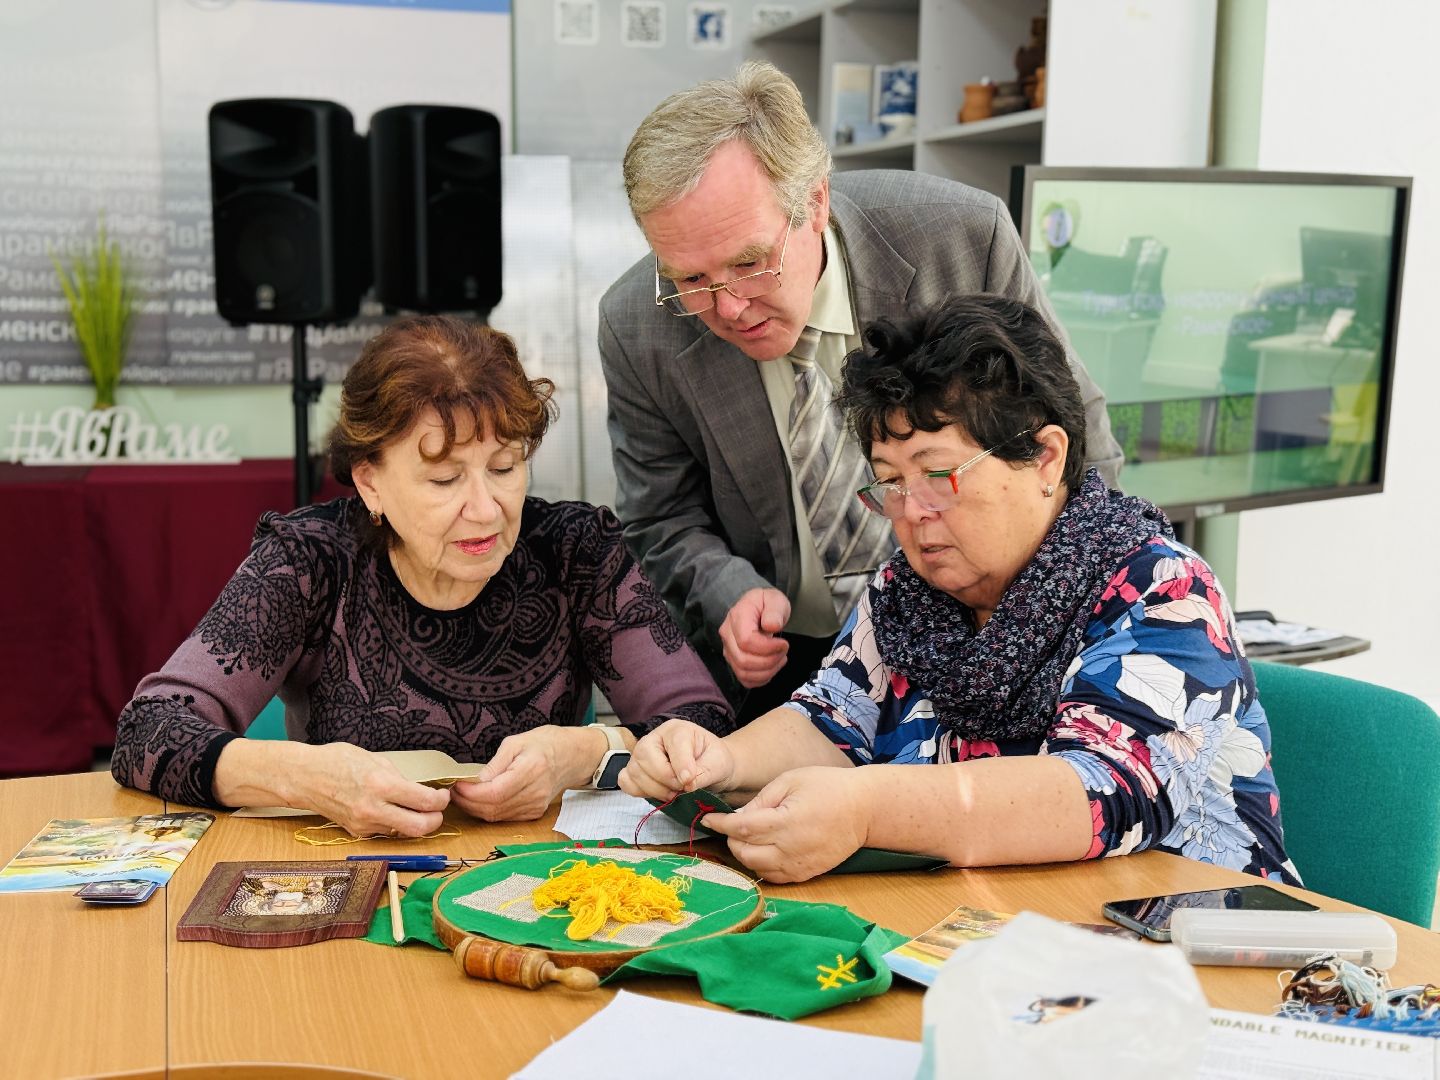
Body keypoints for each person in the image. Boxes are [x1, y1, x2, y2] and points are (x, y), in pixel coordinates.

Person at [620, 295, 1297, 886]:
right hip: (996, 935)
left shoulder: (1160, 590)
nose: (912, 513)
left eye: (938, 474)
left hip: (1192, 953)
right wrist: (721, 761)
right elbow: (834, 717)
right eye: (890, 481)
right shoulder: (908, 590)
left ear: (1045, 458)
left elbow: (1096, 793)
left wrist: (866, 809)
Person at [599, 61, 1125, 721]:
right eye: (689, 278)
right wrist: (727, 590)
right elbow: (660, 516)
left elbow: (1076, 438)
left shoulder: (959, 240)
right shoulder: (636, 325)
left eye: (748, 262)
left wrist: (1074, 624)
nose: (727, 306)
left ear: (814, 203)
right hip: (781, 664)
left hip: (988, 641)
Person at [112, 316, 734, 837]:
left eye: (504, 466)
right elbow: (149, 730)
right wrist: (310, 778)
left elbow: (705, 727)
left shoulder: (575, 553)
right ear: (370, 481)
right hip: (346, 877)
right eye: (444, 480)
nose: (486, 508)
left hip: (539, 893)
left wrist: (586, 753)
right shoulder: (308, 562)